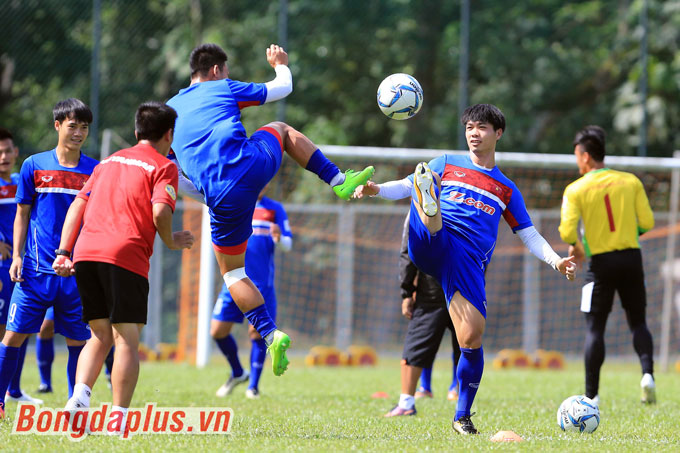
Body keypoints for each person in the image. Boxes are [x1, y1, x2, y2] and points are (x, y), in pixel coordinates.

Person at [354, 103, 576, 434]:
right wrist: (376, 190)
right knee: (423, 194)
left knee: (471, 338)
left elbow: (527, 233)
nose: (474, 133)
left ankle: (462, 417)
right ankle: (427, 203)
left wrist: (556, 259)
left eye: (482, 127)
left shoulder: (506, 189)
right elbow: (402, 185)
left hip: (467, 261)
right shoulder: (446, 163)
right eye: (470, 127)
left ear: (497, 134)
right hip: (434, 241)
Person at [167, 43, 374, 377]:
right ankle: (339, 180)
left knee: (233, 273)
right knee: (281, 128)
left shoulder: (170, 111)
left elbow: (172, 173)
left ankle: (269, 332)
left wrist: (206, 196)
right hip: (250, 169)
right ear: (217, 70)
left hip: (218, 197)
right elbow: (283, 88)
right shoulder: (221, 87)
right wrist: (280, 64)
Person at [53, 102, 194, 429]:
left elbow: (78, 205)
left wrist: (64, 250)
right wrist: (171, 241)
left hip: (85, 252)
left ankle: (79, 397)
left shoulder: (109, 161)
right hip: (124, 254)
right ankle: (120, 417)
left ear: (136, 131)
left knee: (98, 334)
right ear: (169, 135)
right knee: (126, 339)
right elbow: (160, 211)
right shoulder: (164, 166)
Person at [0, 99, 97, 419]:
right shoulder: (33, 165)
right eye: (73, 126)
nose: (79, 133)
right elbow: (22, 214)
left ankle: (75, 409)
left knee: (77, 341)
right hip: (33, 272)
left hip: (75, 274)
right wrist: (16, 256)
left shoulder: (96, 170)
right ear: (57, 125)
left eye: (84, 127)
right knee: (12, 336)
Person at [559, 125, 656, 405]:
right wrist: (626, 235)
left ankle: (592, 396)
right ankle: (647, 375)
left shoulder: (576, 189)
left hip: (600, 264)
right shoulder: (630, 181)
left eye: (577, 156)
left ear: (586, 156)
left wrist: (579, 248)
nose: (577, 161)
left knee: (595, 328)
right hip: (631, 259)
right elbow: (647, 223)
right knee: (638, 321)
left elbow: (566, 232)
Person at [212, 184, 292, 399]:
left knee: (256, 334)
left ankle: (253, 387)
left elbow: (287, 244)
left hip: (261, 284)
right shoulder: (234, 201)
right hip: (233, 282)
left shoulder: (274, 209)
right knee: (217, 331)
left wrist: (278, 238)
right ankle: (238, 372)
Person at [385, 213, 460, 417]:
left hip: (432, 291)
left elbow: (408, 251)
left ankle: (408, 401)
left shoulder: (417, 210)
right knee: (467, 345)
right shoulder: (470, 203)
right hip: (464, 285)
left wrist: (407, 291)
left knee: (417, 345)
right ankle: (457, 394)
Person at [0, 128, 41, 405]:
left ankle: (13, 390)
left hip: (20, 265)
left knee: (18, 326)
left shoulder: (20, 182)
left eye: (8, 151)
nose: (4, 156)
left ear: (16, 153)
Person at [35, 308, 55, 393]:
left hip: (72, 295)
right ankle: (45, 383)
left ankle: (78, 389)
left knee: (75, 338)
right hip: (48, 295)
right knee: (44, 327)